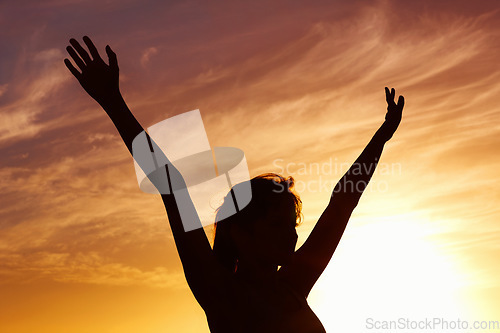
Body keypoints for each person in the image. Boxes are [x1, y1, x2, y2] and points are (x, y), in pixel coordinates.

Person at [64, 36, 404, 333]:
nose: (292, 234)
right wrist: (112, 102)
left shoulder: (292, 286)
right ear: (239, 232)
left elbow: (341, 205)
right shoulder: (220, 291)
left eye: (292, 223)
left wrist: (381, 138)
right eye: (276, 224)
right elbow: (172, 187)